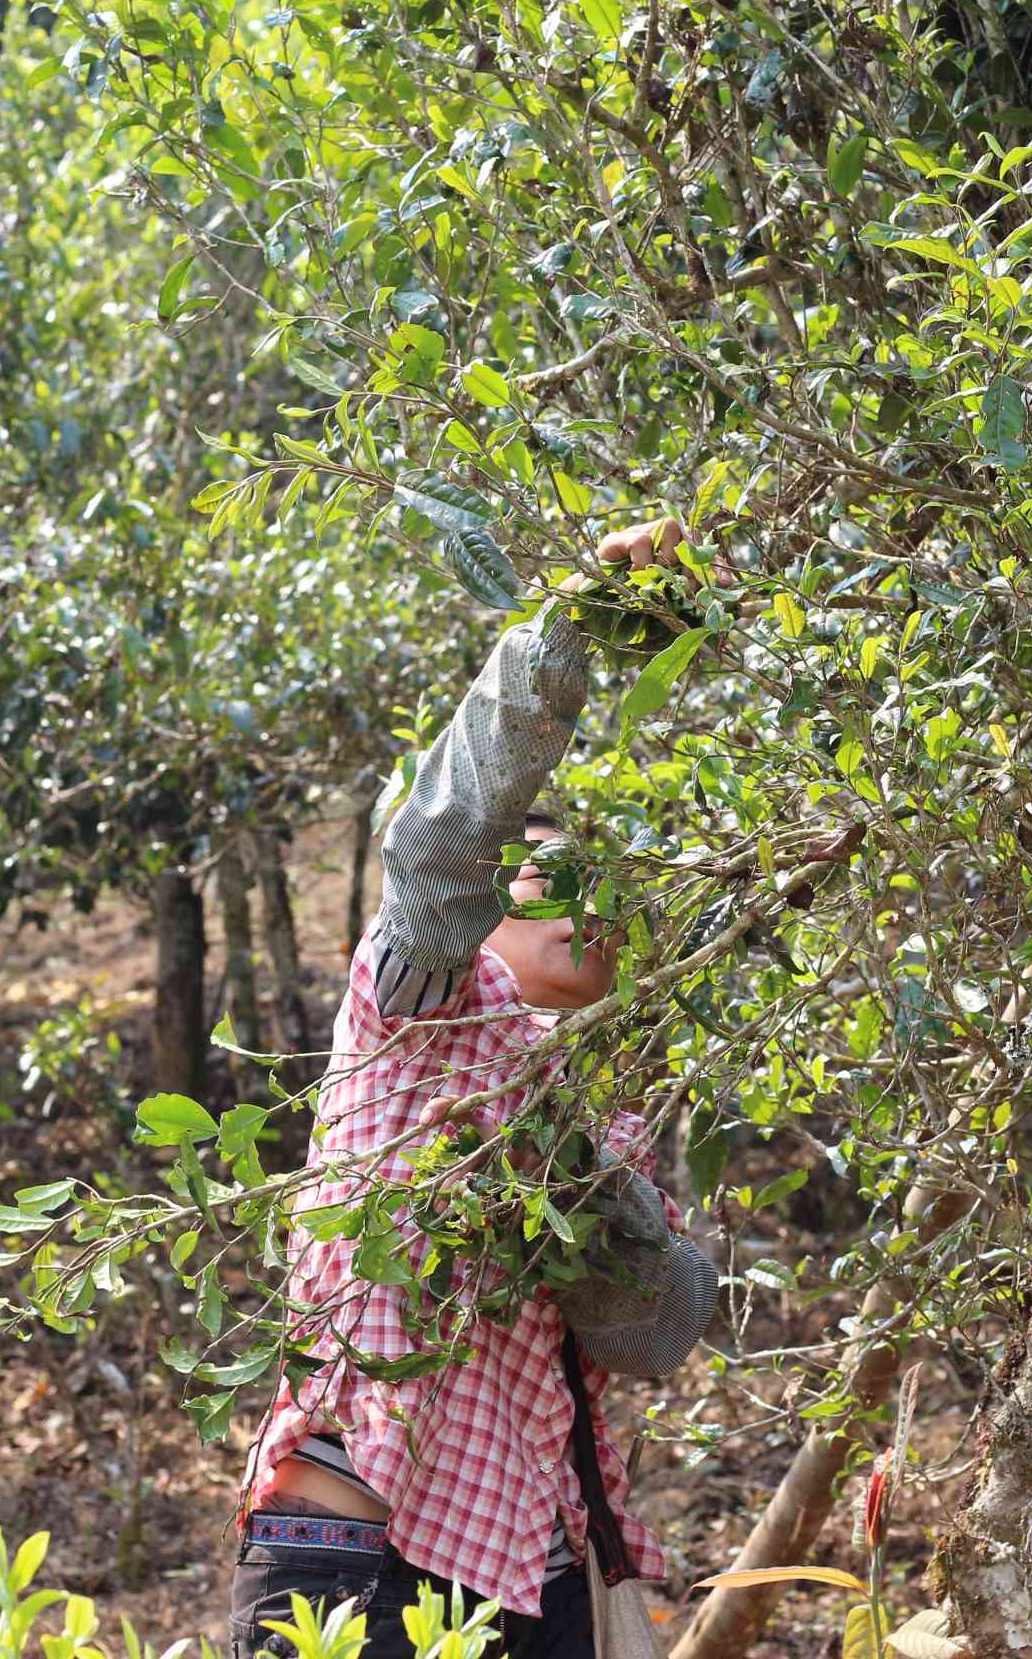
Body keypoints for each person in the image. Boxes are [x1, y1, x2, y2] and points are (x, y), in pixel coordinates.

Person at [227, 520, 692, 1659]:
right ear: (495, 905)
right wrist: (568, 633)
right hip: (360, 1565)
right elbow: (441, 841)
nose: (596, 905)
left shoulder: (616, 1097)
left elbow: (655, 1330)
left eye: (617, 888)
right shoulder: (422, 999)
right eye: (555, 877)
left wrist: (576, 1167)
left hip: (535, 1580)